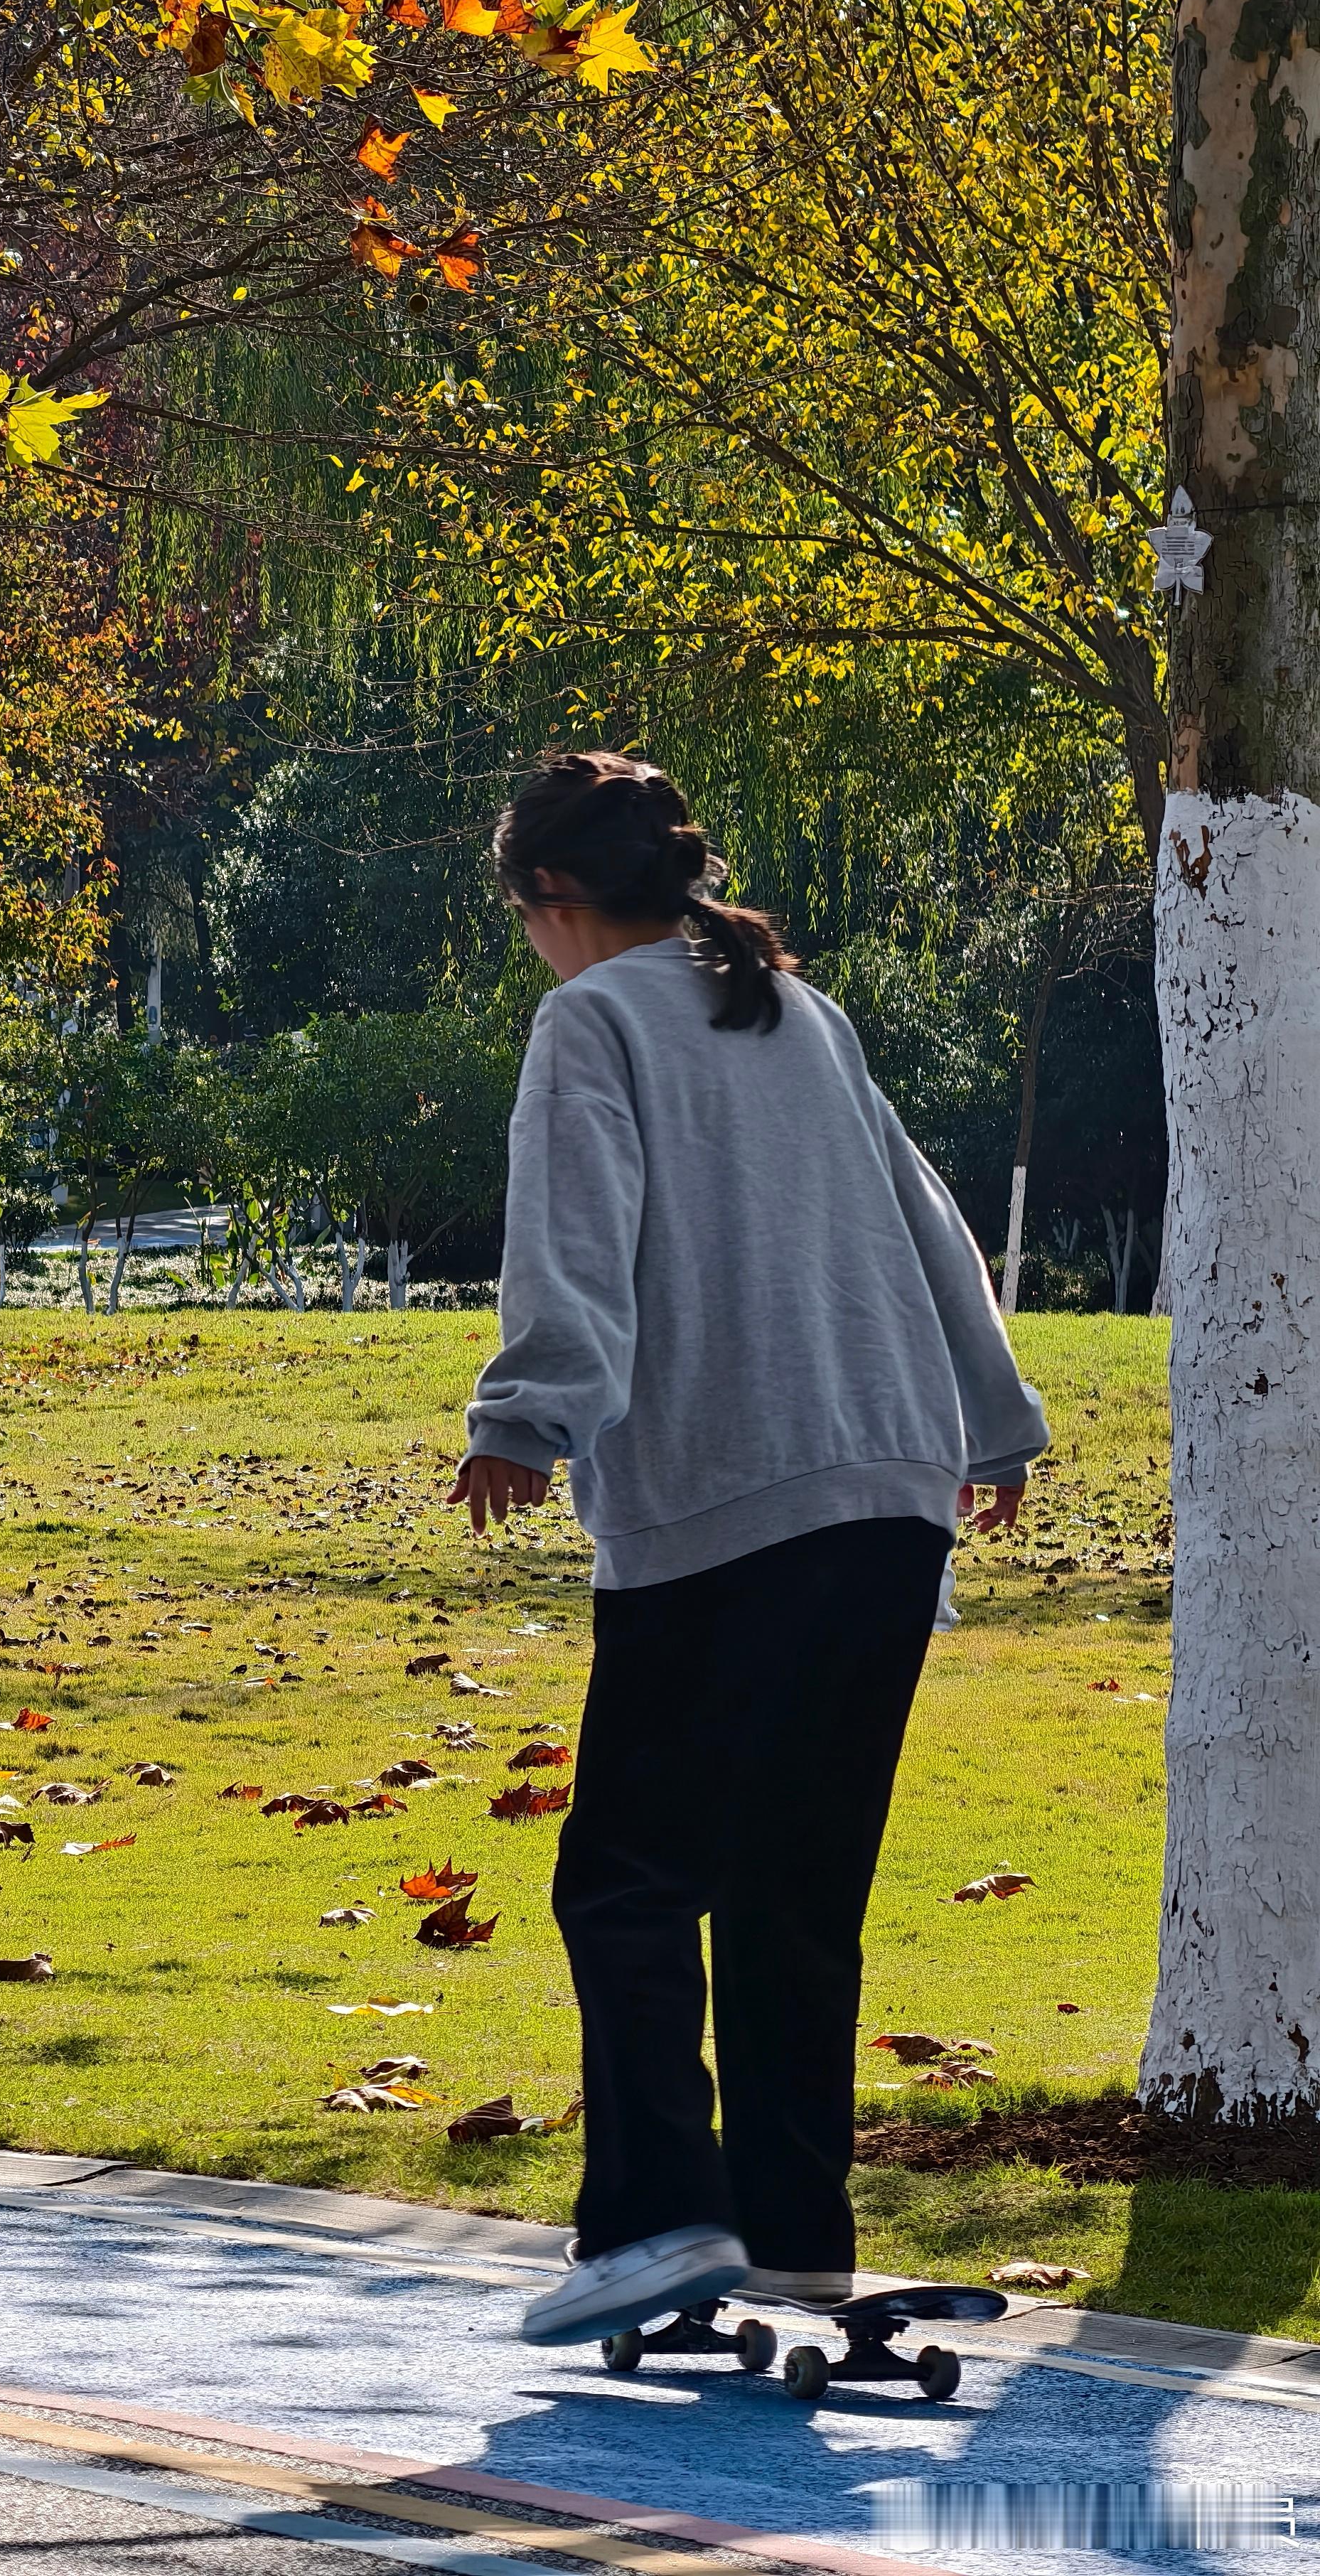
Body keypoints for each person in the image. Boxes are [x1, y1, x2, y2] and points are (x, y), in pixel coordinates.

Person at [451, 752, 1046, 2349]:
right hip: (894, 1492)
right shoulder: (802, 1012)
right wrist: (995, 1423)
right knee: (794, 1894)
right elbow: (928, 1219)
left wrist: (528, 1415)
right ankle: (792, 2242)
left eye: (525, 917)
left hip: (731, 1499)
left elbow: (575, 1228)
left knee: (632, 1880)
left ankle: (656, 2224)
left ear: (555, 898)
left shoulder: (594, 1018)